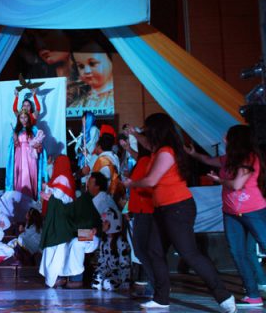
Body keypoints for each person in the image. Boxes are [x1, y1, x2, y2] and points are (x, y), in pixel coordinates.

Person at [123, 113, 236, 312]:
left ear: (156, 130)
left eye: (147, 129)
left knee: (189, 254)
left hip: (177, 208)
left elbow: (151, 180)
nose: (145, 132)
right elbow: (147, 145)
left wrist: (132, 183)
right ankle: (161, 298)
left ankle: (224, 296)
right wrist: (135, 133)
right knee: (154, 251)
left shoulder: (166, 152)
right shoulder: (159, 149)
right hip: (162, 209)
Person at [186, 124, 266, 307]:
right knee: (238, 253)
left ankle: (255, 290)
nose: (223, 138)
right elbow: (208, 160)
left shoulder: (250, 158)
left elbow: (237, 185)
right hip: (231, 213)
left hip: (254, 210)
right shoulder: (228, 158)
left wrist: (219, 180)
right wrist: (193, 154)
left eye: (227, 136)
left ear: (236, 139)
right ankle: (253, 295)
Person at [39, 155, 76, 287]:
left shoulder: (64, 178)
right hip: (56, 218)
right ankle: (53, 277)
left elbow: (60, 195)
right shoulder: (61, 177)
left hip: (61, 220)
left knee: (58, 247)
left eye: (56, 163)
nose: (54, 165)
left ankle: (57, 277)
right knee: (53, 247)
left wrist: (49, 192)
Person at [90, 172, 130, 292]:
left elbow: (101, 225)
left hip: (96, 234)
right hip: (99, 234)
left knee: (77, 239)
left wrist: (97, 230)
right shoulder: (100, 198)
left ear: (97, 186)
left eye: (90, 183)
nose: (87, 185)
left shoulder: (99, 200)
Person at [126, 143, 154, 298]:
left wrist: (131, 183)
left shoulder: (146, 161)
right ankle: (154, 285)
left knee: (143, 250)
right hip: (140, 209)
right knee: (143, 250)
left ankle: (155, 285)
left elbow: (141, 185)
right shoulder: (145, 160)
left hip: (145, 209)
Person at [6, 110, 48, 200]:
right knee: (21, 176)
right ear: (18, 119)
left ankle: (31, 199)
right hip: (19, 157)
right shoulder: (16, 131)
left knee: (31, 176)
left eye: (25, 117)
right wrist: (15, 140)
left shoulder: (33, 129)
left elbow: (40, 147)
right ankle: (19, 199)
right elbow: (12, 147)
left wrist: (38, 146)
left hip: (31, 157)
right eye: (21, 118)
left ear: (28, 118)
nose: (23, 120)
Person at [70, 42, 114, 115]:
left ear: (110, 61)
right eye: (81, 66)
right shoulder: (78, 104)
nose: (87, 71)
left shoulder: (113, 100)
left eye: (92, 64)